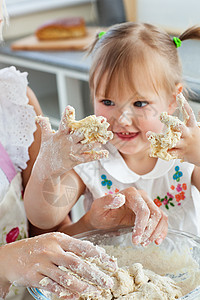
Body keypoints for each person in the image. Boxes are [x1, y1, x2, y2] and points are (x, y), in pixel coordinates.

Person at [24, 23, 175, 247]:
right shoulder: (90, 157)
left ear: (172, 101)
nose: (122, 119)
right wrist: (47, 171)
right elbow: (44, 218)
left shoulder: (185, 152)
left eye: (139, 103)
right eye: (107, 102)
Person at [0, 66, 120, 300]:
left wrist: (90, 224)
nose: (123, 118)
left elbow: (45, 226)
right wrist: (5, 263)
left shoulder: (12, 100)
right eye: (108, 101)